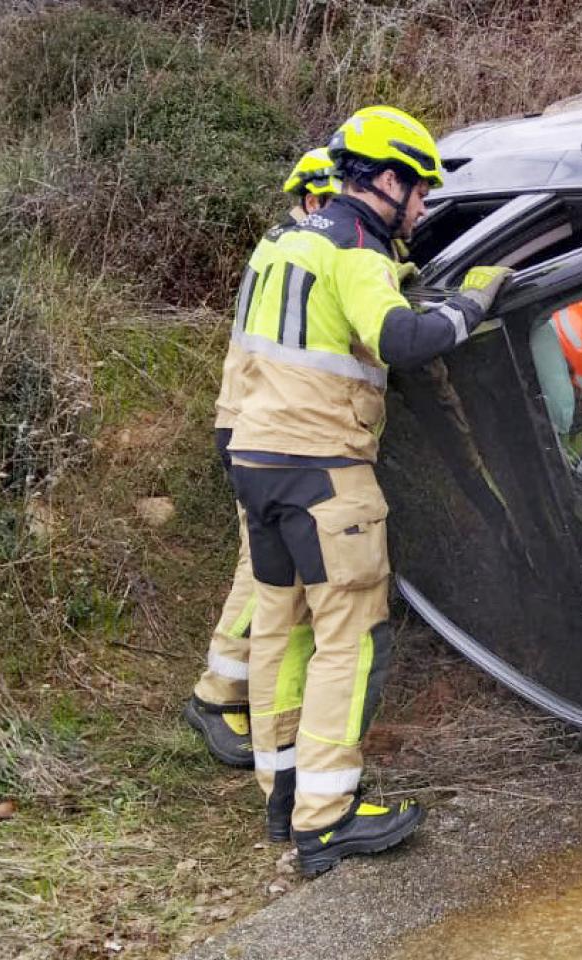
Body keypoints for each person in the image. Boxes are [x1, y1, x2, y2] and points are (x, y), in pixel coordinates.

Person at [224, 106, 511, 876]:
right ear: (386, 180)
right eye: (419, 189)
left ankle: (285, 797)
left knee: (283, 631)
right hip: (323, 471)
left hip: (257, 460)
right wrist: (470, 304)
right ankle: (328, 819)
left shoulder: (286, 242)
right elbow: (401, 340)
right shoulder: (357, 247)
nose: (422, 205)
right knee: (351, 638)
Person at [183, 147, 340, 770]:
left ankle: (242, 691)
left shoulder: (282, 246)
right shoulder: (299, 253)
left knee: (271, 568)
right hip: (256, 428)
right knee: (261, 569)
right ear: (311, 198)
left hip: (250, 422)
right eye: (332, 201)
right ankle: (216, 695)